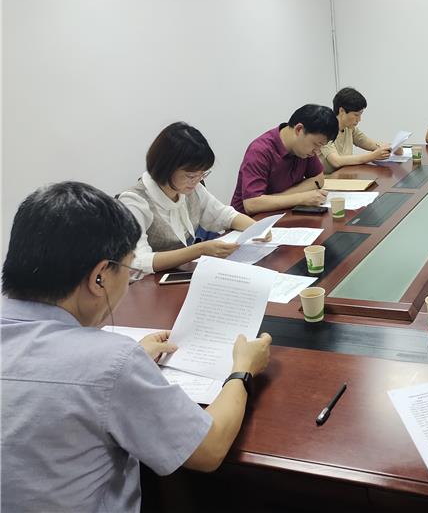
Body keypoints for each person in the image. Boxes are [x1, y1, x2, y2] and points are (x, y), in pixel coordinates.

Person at [1, 181, 272, 512]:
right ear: (100, 277)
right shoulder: (110, 362)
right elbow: (209, 449)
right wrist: (242, 370)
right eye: (129, 269)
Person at [119, 122, 269, 274]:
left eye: (202, 174)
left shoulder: (191, 189)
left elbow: (223, 215)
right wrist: (199, 250)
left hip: (183, 275)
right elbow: (137, 262)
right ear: (166, 167)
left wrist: (256, 228)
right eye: (191, 175)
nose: (197, 180)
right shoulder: (134, 201)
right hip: (150, 284)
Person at [231, 104, 339, 214]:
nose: (317, 151)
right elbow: (252, 204)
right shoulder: (260, 150)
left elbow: (318, 179)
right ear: (299, 130)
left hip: (282, 213)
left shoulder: (304, 150)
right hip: (251, 221)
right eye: (316, 144)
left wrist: (284, 197)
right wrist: (300, 198)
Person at [319, 87, 395, 174]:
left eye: (360, 114)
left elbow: (368, 143)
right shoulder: (325, 130)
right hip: (329, 179)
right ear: (342, 111)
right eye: (356, 115)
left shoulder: (349, 128)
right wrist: (373, 156)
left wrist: (391, 147)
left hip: (345, 174)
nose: (359, 119)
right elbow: (337, 161)